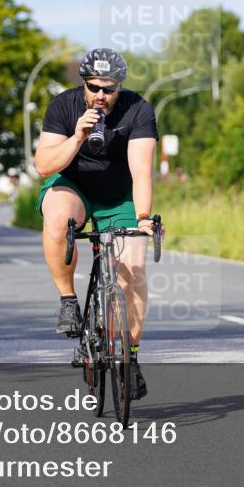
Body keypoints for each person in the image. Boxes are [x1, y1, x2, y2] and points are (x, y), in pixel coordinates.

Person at [33, 47, 158, 400]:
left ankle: (130, 357)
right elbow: (44, 165)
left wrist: (144, 218)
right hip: (75, 189)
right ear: (83, 83)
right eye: (94, 87)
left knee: (133, 270)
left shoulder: (138, 109)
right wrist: (77, 137)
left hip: (120, 196)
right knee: (58, 217)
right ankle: (69, 301)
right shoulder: (64, 106)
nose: (101, 96)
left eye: (109, 88)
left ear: (119, 87)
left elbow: (141, 171)